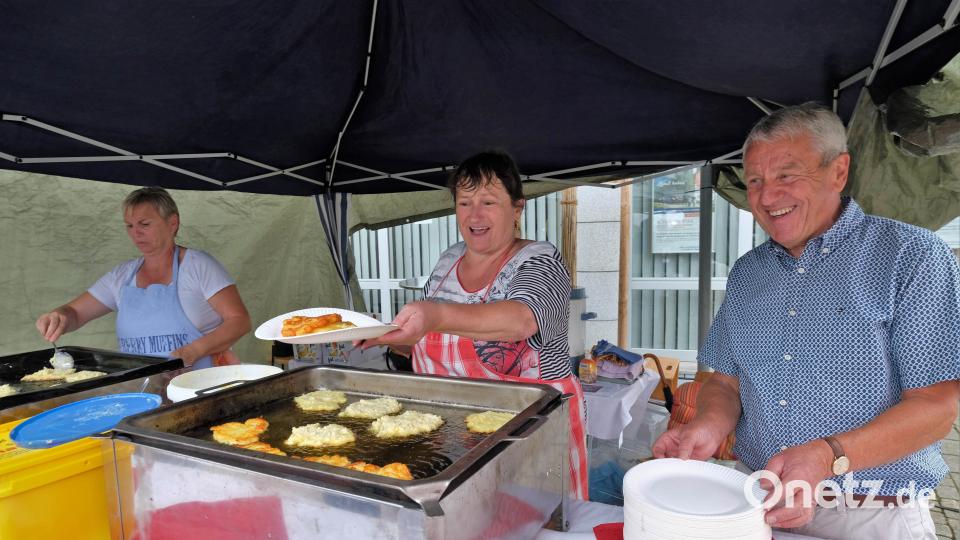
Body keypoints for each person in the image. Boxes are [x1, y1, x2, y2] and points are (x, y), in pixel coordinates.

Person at [653, 102, 960, 539]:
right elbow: (724, 382)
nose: (766, 196)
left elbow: (936, 409)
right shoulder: (748, 272)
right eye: (755, 180)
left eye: (786, 175)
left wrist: (825, 456)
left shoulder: (910, 257)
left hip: (870, 511)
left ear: (839, 171)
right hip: (757, 501)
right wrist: (708, 424)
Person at [363, 150, 588, 499]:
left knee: (531, 521)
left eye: (488, 202)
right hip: (454, 430)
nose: (475, 215)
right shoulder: (448, 260)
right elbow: (424, 341)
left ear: (517, 208)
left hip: (529, 434)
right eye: (465, 202)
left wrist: (435, 315)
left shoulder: (540, 259)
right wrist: (386, 337)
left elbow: (521, 320)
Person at [36, 187, 252, 369]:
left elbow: (239, 321)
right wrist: (60, 316)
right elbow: (75, 313)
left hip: (201, 387)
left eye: (144, 224)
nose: (135, 233)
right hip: (144, 392)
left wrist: (193, 351)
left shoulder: (198, 266)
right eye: (129, 226)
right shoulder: (121, 277)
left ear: (172, 223)